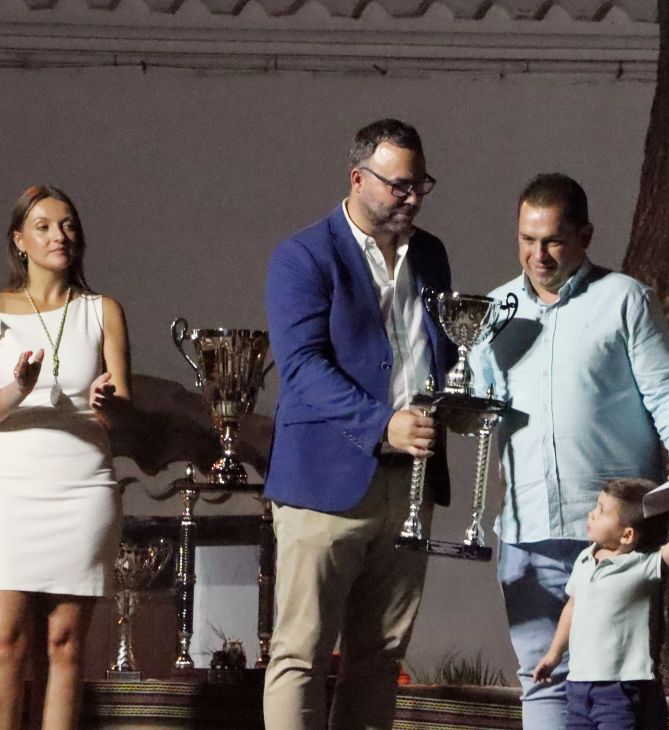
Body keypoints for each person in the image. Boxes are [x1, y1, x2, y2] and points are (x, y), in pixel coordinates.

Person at [471, 173, 669, 729]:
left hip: (610, 534)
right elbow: (478, 403)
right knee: (540, 678)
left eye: (552, 239)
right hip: (525, 531)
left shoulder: (624, 298)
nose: (538, 254)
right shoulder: (494, 310)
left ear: (584, 235)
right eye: (527, 240)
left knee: (621, 684)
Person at [262, 119, 455, 730]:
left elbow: (444, 353)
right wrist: (383, 424)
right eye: (399, 185)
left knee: (379, 659)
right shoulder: (301, 256)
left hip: (412, 484)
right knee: (301, 653)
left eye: (420, 183)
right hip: (325, 485)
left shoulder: (430, 254)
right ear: (357, 178)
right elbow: (301, 369)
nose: (412, 197)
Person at [0, 186, 132, 730]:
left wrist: (110, 405)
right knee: (7, 641)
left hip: (83, 491)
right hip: (11, 489)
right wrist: (17, 388)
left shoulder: (102, 311)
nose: (60, 235)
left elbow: (124, 414)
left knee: (64, 641)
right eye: (45, 225)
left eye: (69, 225)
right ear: (19, 241)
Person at [532, 478, 669, 730]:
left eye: (601, 510)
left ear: (627, 534)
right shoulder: (585, 559)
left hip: (620, 687)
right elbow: (572, 608)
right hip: (579, 685)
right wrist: (554, 654)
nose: (591, 514)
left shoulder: (643, 565)